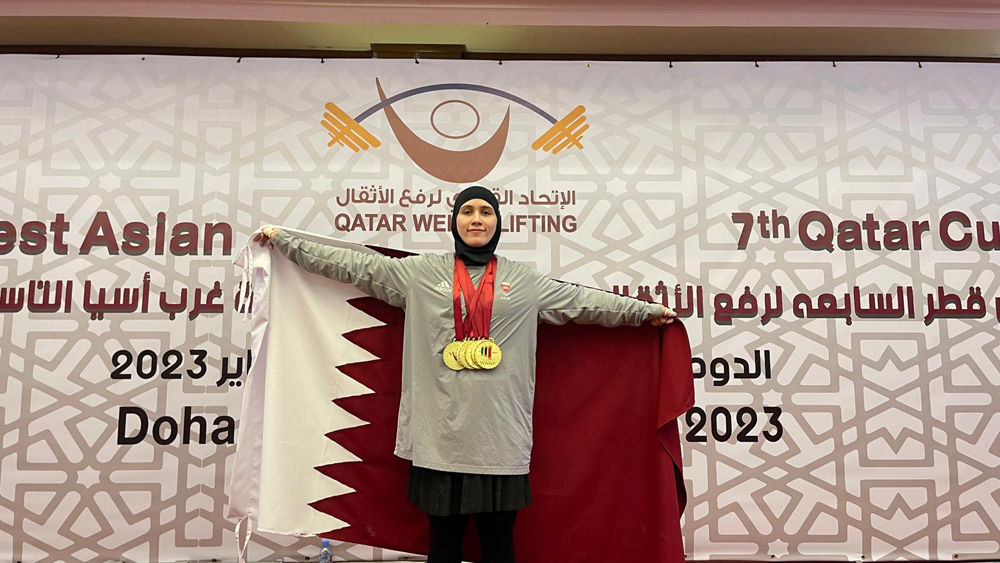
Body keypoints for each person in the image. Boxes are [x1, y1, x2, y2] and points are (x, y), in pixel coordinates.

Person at [253, 185, 676, 563]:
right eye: (467, 211)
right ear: (454, 221)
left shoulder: (524, 282)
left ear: (498, 223)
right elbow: (352, 265)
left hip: (501, 440)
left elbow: (585, 302)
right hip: (438, 439)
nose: (477, 219)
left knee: (498, 544)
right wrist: (286, 241)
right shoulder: (418, 274)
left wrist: (645, 312)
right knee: (444, 544)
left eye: (485, 212)